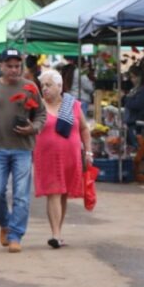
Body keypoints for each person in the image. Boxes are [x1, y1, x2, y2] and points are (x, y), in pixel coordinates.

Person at [0, 47, 48, 253]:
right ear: (1, 66)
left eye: (17, 66)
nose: (14, 70)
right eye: (9, 66)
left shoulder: (30, 86)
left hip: (22, 148)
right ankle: (4, 224)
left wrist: (34, 128)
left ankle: (15, 235)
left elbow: (41, 114)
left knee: (21, 195)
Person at [34, 70, 92, 248]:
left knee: (63, 194)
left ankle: (57, 232)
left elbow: (84, 128)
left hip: (70, 158)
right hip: (47, 157)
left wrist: (88, 151)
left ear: (59, 86)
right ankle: (56, 234)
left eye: (48, 85)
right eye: (42, 85)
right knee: (54, 192)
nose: (45, 89)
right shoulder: (38, 107)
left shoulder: (72, 104)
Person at [122, 64, 144, 149]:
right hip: (133, 122)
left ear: (140, 77)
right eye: (131, 77)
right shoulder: (135, 89)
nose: (133, 80)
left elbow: (137, 105)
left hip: (138, 124)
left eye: (135, 77)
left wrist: (127, 99)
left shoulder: (143, 90)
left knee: (137, 146)